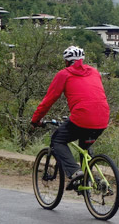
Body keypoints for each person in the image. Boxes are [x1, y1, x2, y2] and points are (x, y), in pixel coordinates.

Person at [31, 45, 110, 189]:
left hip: (82, 117)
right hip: (103, 117)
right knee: (85, 146)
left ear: (66, 62)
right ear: (82, 59)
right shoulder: (94, 71)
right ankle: (91, 179)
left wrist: (35, 119)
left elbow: (48, 100)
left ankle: (75, 172)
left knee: (57, 140)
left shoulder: (64, 74)